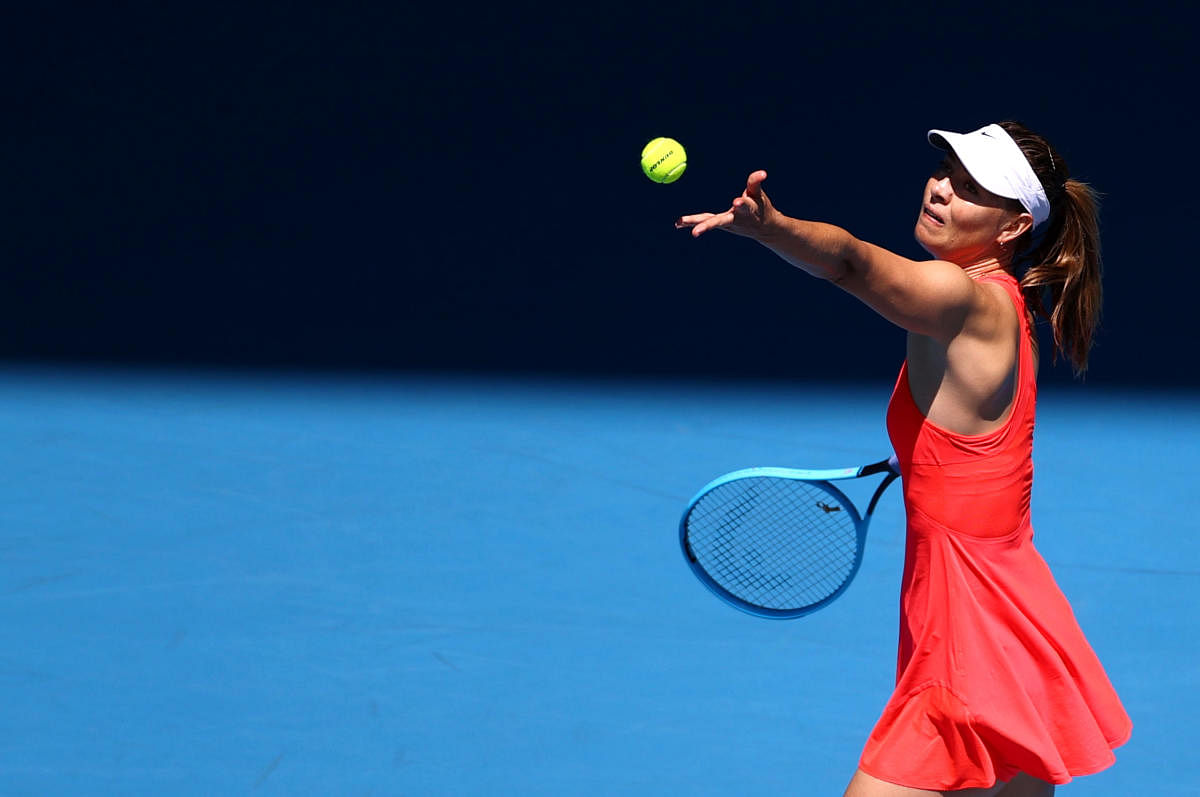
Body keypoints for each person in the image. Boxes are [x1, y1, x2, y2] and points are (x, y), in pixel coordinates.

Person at [676, 122, 1132, 797]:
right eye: (946, 170)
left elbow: (853, 263)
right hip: (1016, 612)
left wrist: (773, 228)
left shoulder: (965, 299)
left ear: (1009, 229)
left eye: (972, 188)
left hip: (967, 628)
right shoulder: (1006, 303)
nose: (942, 189)